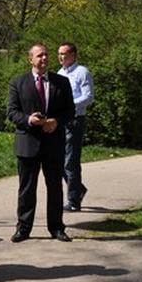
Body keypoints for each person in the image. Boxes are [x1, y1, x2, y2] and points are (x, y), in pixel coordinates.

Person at [7, 44, 75, 243]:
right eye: (39, 55)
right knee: (27, 188)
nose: (44, 58)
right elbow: (12, 112)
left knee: (55, 187)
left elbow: (70, 111)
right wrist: (29, 120)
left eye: (46, 54)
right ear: (31, 59)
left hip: (53, 143)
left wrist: (57, 122)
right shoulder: (18, 82)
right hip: (28, 143)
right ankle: (23, 228)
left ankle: (57, 228)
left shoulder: (61, 82)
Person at [57, 42, 94, 211]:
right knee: (58, 160)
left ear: (73, 55)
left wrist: (70, 106)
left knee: (70, 161)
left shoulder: (82, 72)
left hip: (75, 120)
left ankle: (73, 201)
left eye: (64, 53)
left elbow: (88, 97)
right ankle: (78, 188)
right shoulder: (59, 73)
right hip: (60, 121)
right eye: (59, 53)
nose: (61, 57)